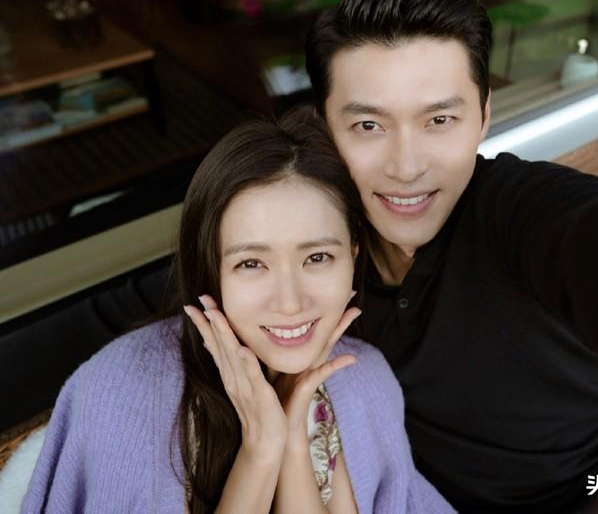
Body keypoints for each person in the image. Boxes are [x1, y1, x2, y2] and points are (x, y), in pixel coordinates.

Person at [304, 0, 598, 512]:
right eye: (369, 126)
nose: (406, 167)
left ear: (484, 115)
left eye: (439, 120)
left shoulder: (515, 211)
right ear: (326, 128)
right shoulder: (310, 254)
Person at [22, 109, 454, 513]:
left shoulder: (363, 381)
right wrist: (261, 449)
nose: (290, 302)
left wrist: (294, 440)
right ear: (211, 266)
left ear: (353, 252)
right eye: (251, 264)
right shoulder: (123, 392)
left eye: (317, 258)